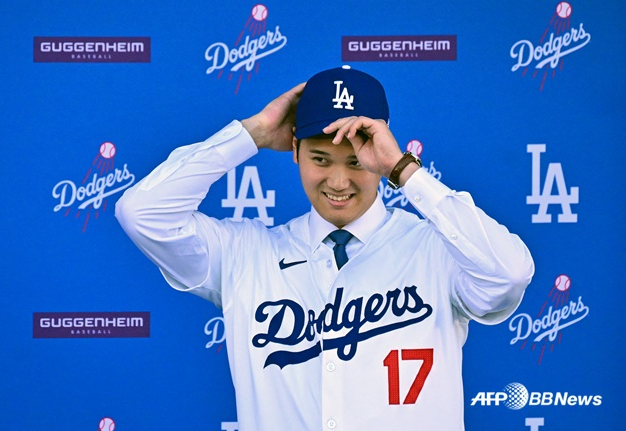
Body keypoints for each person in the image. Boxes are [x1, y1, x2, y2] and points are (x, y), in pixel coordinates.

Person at [115, 66, 534, 431]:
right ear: (294, 151)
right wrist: (254, 133)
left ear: (381, 153)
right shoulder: (246, 254)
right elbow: (142, 213)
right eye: (320, 158)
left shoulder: (436, 249)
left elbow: (509, 275)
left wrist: (404, 170)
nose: (337, 182)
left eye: (355, 162)